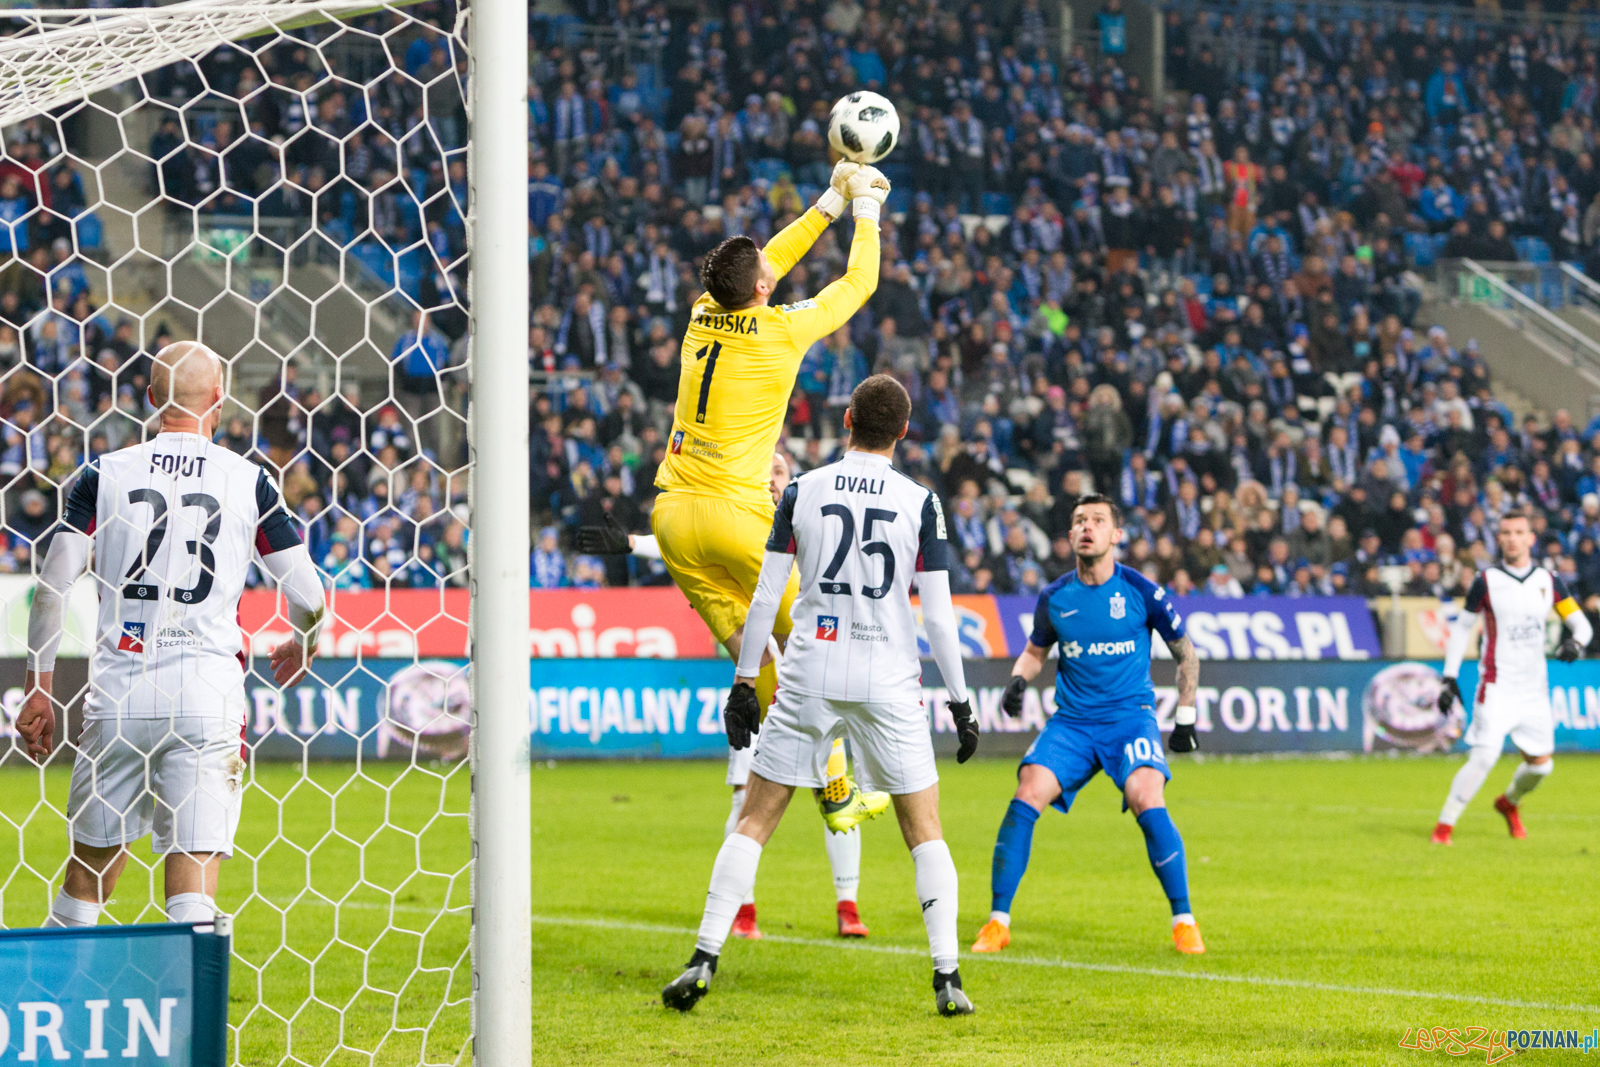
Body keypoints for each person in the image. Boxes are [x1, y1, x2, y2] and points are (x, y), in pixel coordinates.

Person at [661, 375, 981, 1016]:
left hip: (810, 670)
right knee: (924, 831)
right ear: (903, 431)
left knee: (755, 819)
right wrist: (961, 701)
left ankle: (703, 957)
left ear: (847, 420)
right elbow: (940, 618)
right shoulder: (921, 501)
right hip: (888, 679)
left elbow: (764, 596)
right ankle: (947, 976)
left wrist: (745, 682)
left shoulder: (802, 490)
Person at [15, 341, 326, 928]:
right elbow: (309, 598)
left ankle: (48, 983)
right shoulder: (248, 481)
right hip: (207, 696)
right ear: (219, 397)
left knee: (89, 876)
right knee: (193, 882)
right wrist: (302, 643)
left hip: (120, 693)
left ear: (152, 398)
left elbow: (52, 586)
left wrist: (38, 688)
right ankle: (192, 987)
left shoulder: (103, 475)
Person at [649, 160, 894, 832]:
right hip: (736, 516)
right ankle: (836, 785)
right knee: (816, 643)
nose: (772, 271)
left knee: (753, 657)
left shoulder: (703, 313)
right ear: (760, 287)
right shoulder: (783, 330)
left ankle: (803, 777)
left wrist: (828, 200)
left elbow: (768, 266)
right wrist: (866, 207)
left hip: (673, 519)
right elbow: (860, 281)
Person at [579, 451, 873, 939]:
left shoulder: (813, 527)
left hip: (815, 687)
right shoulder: (743, 533)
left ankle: (848, 908)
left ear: (791, 480)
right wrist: (631, 543)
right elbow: (691, 551)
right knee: (746, 798)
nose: (772, 480)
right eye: (765, 472)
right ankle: (743, 913)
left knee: (835, 795)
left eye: (779, 472)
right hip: (758, 688)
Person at [971, 493, 1207, 956]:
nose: (1087, 527)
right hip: (1073, 724)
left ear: (1115, 535)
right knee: (1027, 792)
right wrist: (1019, 680)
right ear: (1070, 534)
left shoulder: (1140, 590)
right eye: (1079, 520)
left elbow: (1186, 653)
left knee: (1146, 796)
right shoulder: (1055, 597)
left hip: (1130, 721)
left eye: (1098, 520)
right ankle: (998, 922)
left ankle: (1184, 921)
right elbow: (1036, 651)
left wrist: (1185, 716)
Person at [1431, 510, 1590, 845]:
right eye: (1505, 532)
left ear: (1530, 538)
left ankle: (1508, 803)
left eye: (1519, 532)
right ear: (1498, 538)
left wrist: (1576, 643)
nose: (1512, 538)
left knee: (1541, 766)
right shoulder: (1486, 581)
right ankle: (1443, 828)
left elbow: (1581, 625)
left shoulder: (1548, 580)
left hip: (1534, 690)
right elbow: (1462, 628)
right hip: (1497, 686)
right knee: (1485, 755)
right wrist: (1449, 677)